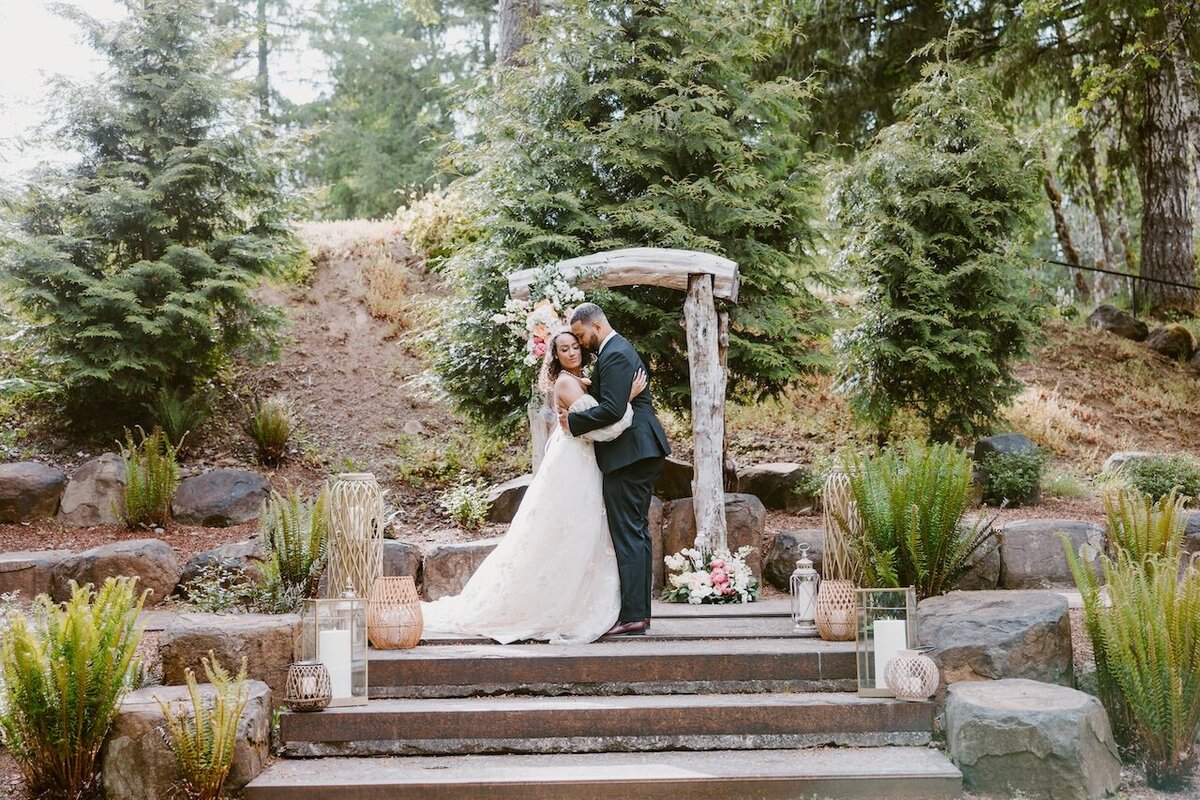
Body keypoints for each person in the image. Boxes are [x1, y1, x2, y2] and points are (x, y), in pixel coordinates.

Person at [421, 329, 646, 644]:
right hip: (575, 465)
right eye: (563, 350)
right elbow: (606, 428)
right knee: (569, 532)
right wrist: (628, 399)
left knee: (582, 533)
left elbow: (596, 416)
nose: (571, 353)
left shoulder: (584, 383)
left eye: (574, 347)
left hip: (585, 464)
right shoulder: (567, 383)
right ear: (555, 358)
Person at [560, 302, 670, 637]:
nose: (581, 343)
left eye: (581, 335)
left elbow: (611, 409)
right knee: (635, 530)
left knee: (628, 532)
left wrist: (572, 421)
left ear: (595, 325)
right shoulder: (613, 353)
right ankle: (639, 613)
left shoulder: (616, 353)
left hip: (631, 453)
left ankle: (634, 615)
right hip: (635, 451)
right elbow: (614, 401)